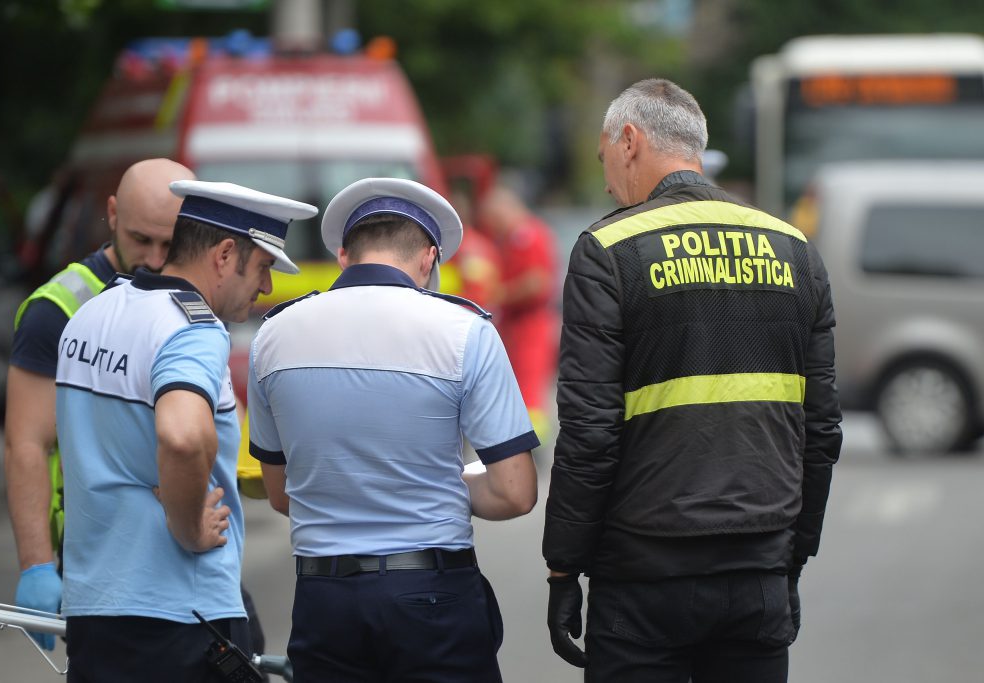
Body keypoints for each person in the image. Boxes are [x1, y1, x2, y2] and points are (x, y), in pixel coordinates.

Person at [542, 78, 843, 682]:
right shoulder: (795, 250)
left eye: (604, 160)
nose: (607, 184)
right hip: (758, 568)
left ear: (630, 141)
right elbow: (821, 427)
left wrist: (563, 567)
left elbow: (590, 432)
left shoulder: (607, 251)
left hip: (643, 577)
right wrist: (793, 558)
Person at [248, 177, 539, 682]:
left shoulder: (272, 335)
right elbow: (515, 493)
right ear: (429, 258)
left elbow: (281, 493)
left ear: (344, 255)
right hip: (431, 593)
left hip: (324, 598)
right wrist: (442, 483)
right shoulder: (464, 331)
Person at [53, 179, 316, 681]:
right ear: (224, 255)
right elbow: (183, 436)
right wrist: (189, 526)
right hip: (181, 615)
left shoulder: (95, 312)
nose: (266, 287)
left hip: (92, 608)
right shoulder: (193, 329)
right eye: (263, 267)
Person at [4, 158, 194, 650]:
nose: (155, 260)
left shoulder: (192, 297)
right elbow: (27, 442)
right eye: (141, 239)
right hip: (99, 554)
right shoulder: (59, 309)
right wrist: (36, 566)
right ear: (112, 214)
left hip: (184, 544)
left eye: (171, 243)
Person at [478, 185, 559, 442]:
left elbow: (537, 282)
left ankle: (532, 446)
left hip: (530, 325)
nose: (492, 226)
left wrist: (500, 294)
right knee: (518, 389)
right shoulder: (514, 238)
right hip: (516, 325)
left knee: (529, 390)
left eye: (494, 219)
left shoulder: (528, 235)